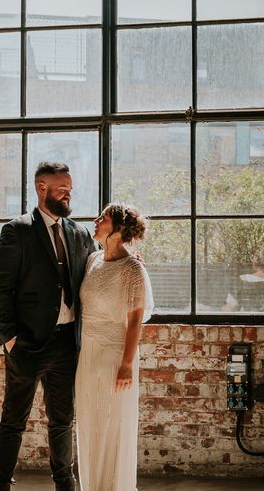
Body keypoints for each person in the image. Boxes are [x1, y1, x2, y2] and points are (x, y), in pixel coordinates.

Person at [0, 161, 98, 491]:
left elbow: (98, 269)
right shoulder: (17, 230)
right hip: (27, 344)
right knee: (14, 419)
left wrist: (130, 258)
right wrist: (8, 338)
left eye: (70, 189)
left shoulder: (79, 233)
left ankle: (65, 484)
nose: (68, 194)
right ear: (42, 188)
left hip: (67, 344)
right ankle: (0, 484)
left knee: (63, 420)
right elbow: (0, 286)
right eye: (62, 188)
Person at [75, 203, 154, 491]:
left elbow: (135, 324)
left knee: (114, 425)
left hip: (116, 355)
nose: (95, 220)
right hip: (88, 353)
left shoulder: (132, 269)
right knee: (89, 423)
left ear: (118, 229)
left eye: (103, 218)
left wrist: (126, 365)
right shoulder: (92, 260)